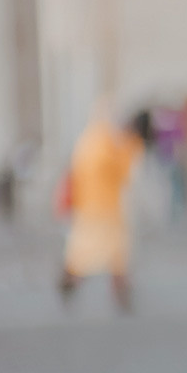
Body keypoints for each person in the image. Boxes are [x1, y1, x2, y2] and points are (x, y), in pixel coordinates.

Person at [56, 98, 146, 311]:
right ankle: (73, 282)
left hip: (94, 208)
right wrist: (133, 146)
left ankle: (118, 290)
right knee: (97, 252)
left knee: (111, 253)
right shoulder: (102, 145)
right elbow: (120, 172)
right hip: (99, 209)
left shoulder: (90, 141)